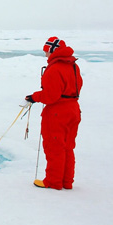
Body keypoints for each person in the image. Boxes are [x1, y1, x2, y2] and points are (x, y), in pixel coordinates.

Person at [24, 36, 83, 190]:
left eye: (46, 52)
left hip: (58, 113)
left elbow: (51, 96)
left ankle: (53, 181)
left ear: (52, 51)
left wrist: (34, 97)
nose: (45, 55)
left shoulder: (55, 68)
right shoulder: (73, 66)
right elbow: (77, 86)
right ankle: (66, 182)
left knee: (54, 148)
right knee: (67, 147)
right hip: (73, 110)